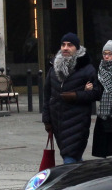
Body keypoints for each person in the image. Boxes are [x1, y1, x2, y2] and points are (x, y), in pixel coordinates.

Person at [42, 33, 98, 163]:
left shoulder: (86, 68)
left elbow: (96, 93)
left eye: (70, 45)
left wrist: (76, 96)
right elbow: (47, 95)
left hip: (77, 122)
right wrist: (47, 119)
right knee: (73, 158)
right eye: (63, 44)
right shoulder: (54, 68)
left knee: (69, 157)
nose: (65, 48)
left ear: (77, 48)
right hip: (58, 122)